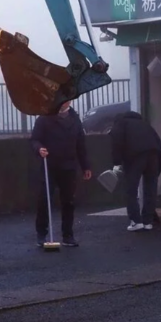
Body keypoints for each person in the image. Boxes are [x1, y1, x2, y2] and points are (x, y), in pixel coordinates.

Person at [30, 100, 92, 247]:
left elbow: (80, 144)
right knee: (45, 200)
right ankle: (41, 234)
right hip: (49, 166)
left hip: (69, 166)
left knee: (68, 202)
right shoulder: (44, 118)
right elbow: (35, 139)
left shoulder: (75, 119)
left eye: (67, 99)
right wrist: (39, 149)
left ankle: (68, 235)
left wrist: (86, 167)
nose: (64, 102)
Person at [109, 111, 161, 232]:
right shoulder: (145, 124)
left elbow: (116, 142)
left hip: (135, 157)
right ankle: (148, 221)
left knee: (131, 189)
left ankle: (136, 221)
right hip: (154, 155)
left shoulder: (120, 123)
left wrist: (117, 163)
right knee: (150, 189)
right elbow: (158, 142)